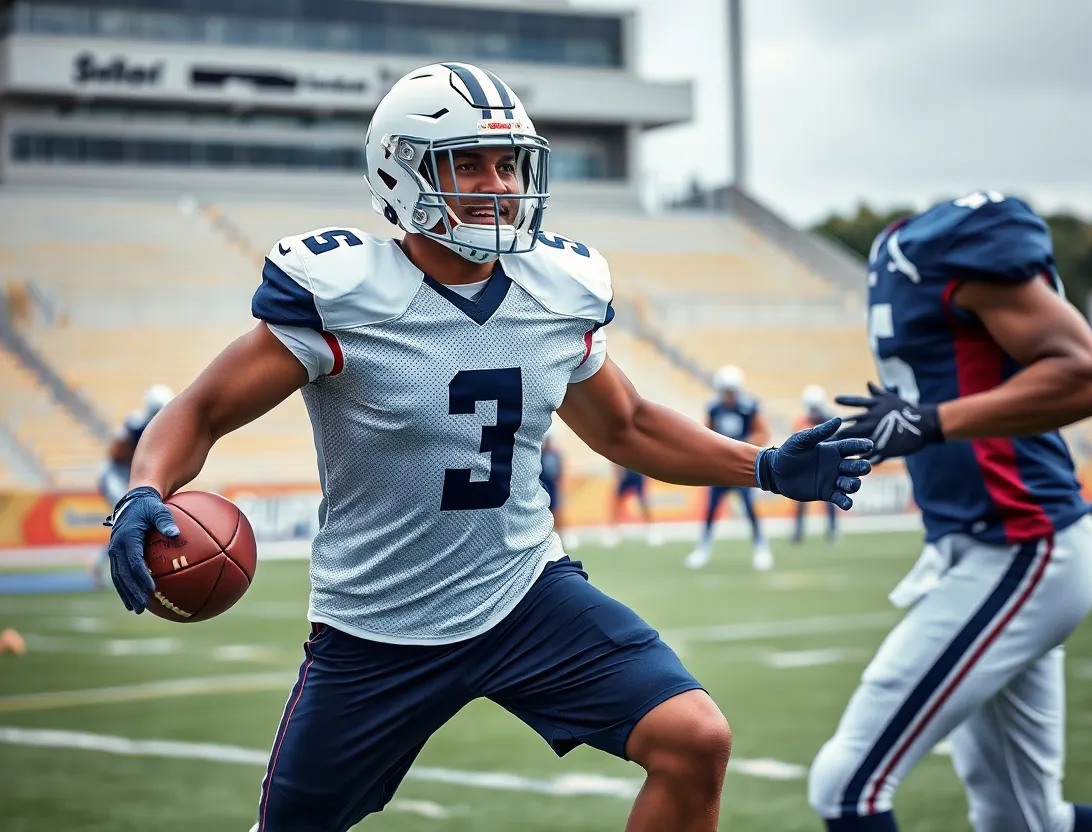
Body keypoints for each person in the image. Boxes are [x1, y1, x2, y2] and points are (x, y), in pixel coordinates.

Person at [102, 62, 872, 832]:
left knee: (694, 739)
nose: (498, 185)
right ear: (400, 171)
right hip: (377, 624)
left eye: (508, 164)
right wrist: (145, 487)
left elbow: (627, 426)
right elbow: (201, 411)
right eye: (467, 163)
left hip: (524, 594)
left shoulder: (556, 289)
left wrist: (763, 466)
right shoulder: (344, 295)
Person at [815, 191, 1092, 832]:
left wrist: (931, 421)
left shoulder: (950, 243)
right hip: (978, 543)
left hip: (1023, 542)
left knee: (847, 785)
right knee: (1023, 821)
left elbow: (1089, 378)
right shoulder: (896, 250)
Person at [686, 365, 773, 571]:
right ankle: (703, 548)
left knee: (749, 508)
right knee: (711, 508)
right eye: (725, 391)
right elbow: (706, 434)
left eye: (731, 391)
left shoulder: (749, 407)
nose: (728, 395)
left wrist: (742, 445)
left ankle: (761, 548)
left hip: (742, 465)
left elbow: (763, 433)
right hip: (720, 467)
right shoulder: (714, 408)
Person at [92, 384, 173, 587]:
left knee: (139, 521)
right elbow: (116, 453)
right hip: (116, 475)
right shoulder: (135, 424)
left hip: (132, 477)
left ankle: (106, 562)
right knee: (130, 518)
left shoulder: (164, 428)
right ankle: (103, 563)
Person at [792, 385, 838, 544]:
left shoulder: (830, 420)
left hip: (824, 465)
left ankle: (832, 530)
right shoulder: (802, 421)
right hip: (806, 466)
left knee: (830, 498)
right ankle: (798, 532)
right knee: (800, 500)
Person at [539, 425, 578, 550]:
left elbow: (560, 472)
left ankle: (563, 538)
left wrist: (561, 487)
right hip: (541, 489)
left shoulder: (556, 455)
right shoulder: (538, 455)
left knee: (558, 514)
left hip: (553, 489)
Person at [604, 465, 662, 547]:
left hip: (638, 472)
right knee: (616, 501)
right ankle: (613, 530)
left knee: (643, 502)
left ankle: (651, 529)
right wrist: (617, 474)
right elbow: (614, 461)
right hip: (624, 473)